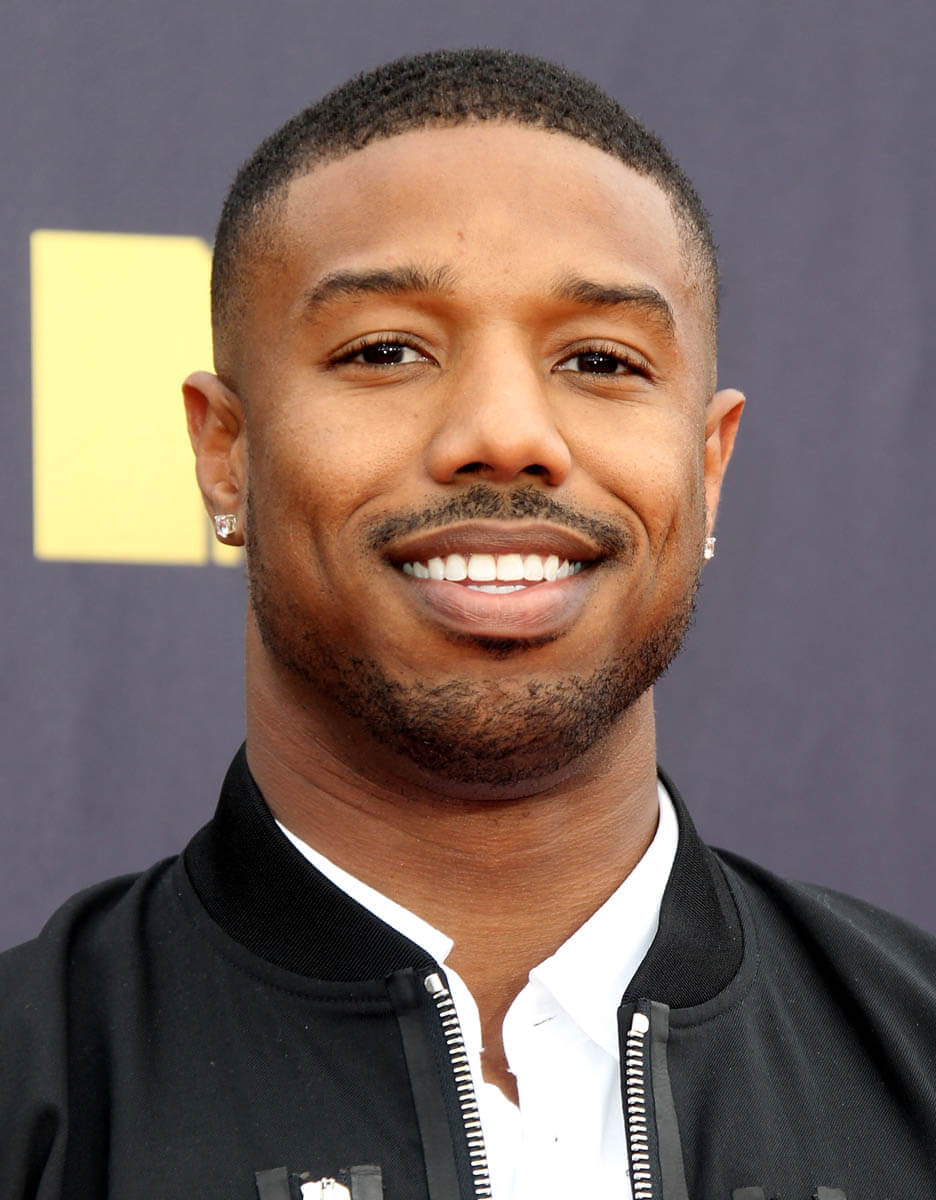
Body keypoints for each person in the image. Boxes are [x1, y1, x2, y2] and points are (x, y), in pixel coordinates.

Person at [2, 47, 935, 1200]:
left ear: (708, 468)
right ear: (225, 453)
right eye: (385, 352)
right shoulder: (33, 1091)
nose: (504, 433)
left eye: (600, 359)